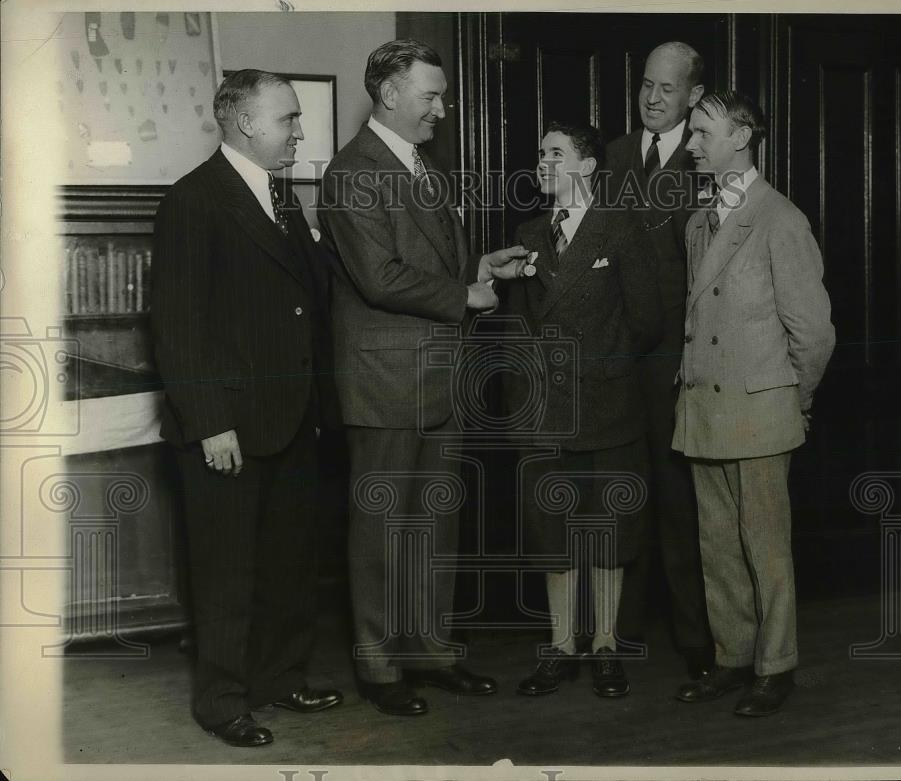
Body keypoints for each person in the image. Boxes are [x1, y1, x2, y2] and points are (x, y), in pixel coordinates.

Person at [318, 39, 527, 717]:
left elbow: (433, 265)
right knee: (382, 532)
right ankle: (380, 667)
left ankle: (432, 651)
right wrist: (463, 296)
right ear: (388, 95)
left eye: (442, 94)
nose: (444, 106)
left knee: (435, 527)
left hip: (438, 377)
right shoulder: (352, 172)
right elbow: (379, 278)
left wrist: (481, 271)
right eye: (431, 95)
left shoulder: (424, 166)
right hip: (384, 383)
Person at [151, 69, 344, 747]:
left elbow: (305, 308)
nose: (299, 130)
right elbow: (178, 326)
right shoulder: (194, 201)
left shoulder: (282, 199)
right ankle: (222, 699)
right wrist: (210, 422)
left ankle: (281, 677)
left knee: (289, 563)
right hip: (228, 426)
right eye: (288, 118)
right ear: (242, 123)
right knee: (227, 570)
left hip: (291, 418)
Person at [672, 91, 835, 716]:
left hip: (761, 412)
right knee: (717, 546)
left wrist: (794, 402)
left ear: (742, 138)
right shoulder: (697, 223)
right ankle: (733, 657)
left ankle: (776, 666)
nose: (690, 146)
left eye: (702, 133)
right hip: (705, 409)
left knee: (765, 547)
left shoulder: (780, 220)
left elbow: (814, 334)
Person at [499, 121, 662, 698]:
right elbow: (518, 326)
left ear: (588, 166)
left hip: (607, 404)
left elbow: (646, 319)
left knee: (609, 532)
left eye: (557, 153)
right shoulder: (527, 233)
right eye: (540, 152)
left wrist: (601, 364)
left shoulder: (619, 228)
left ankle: (607, 647)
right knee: (553, 534)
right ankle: (562, 647)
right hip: (545, 412)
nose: (544, 162)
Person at [604, 41, 715, 680]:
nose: (651, 98)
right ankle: (621, 636)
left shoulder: (707, 163)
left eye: (666, 89)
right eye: (646, 84)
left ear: (693, 97)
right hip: (619, 365)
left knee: (679, 505)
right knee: (624, 500)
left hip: (677, 368)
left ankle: (696, 642)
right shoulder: (613, 158)